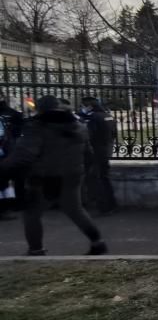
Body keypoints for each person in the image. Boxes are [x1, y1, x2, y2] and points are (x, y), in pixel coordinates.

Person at [0, 95, 106, 256]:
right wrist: (81, 170)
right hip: (72, 175)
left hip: (43, 178)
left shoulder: (37, 127)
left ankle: (36, 249)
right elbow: (89, 154)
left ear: (40, 109)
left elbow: (23, 155)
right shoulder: (77, 125)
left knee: (32, 213)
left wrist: (4, 169)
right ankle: (98, 243)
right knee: (75, 210)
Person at [78, 95, 119, 216]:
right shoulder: (108, 116)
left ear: (89, 106)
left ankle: (104, 207)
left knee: (97, 180)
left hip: (96, 152)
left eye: (84, 106)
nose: (83, 108)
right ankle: (112, 205)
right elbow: (114, 134)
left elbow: (90, 136)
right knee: (104, 178)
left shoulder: (93, 118)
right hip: (107, 150)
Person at [0, 93, 24, 219]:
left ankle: (8, 206)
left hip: (7, 151)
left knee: (7, 181)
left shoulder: (12, 113)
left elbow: (19, 131)